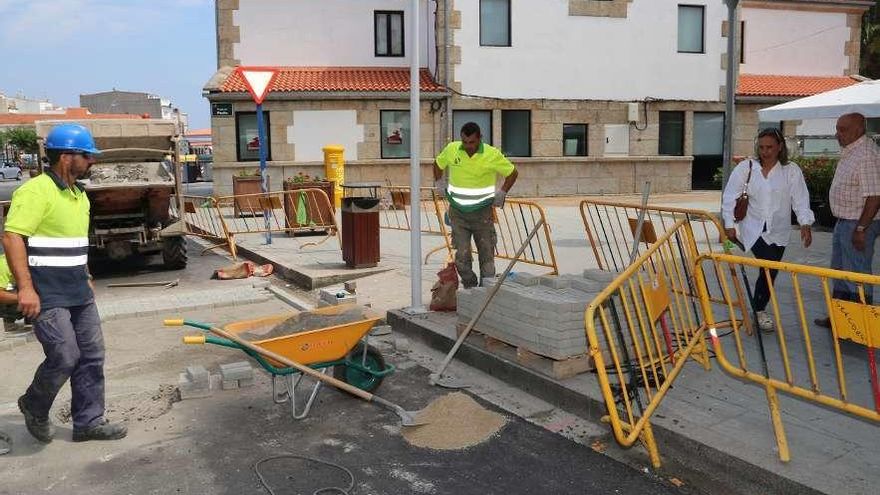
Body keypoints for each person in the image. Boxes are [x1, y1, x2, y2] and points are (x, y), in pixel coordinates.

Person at [1, 123, 127, 443]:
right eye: (87, 155)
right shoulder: (35, 191)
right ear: (67, 157)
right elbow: (13, 236)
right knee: (65, 356)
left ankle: (88, 422)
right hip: (46, 293)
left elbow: (75, 241)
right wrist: (26, 289)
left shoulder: (78, 196)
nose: (92, 162)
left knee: (91, 356)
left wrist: (85, 272)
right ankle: (34, 403)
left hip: (78, 292)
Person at [722, 127, 814, 331]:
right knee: (770, 265)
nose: (765, 152)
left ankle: (758, 308)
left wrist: (805, 223)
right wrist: (729, 225)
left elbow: (800, 199)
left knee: (770, 271)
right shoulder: (746, 168)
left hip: (779, 230)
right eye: (762, 147)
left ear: (780, 147)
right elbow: (729, 197)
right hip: (752, 228)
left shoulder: (791, 170)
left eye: (770, 147)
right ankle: (760, 310)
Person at [434, 122, 519, 288]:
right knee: (462, 257)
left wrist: (502, 193)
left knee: (486, 255)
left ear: (480, 138)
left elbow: (512, 173)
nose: (468, 146)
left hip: (482, 214)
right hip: (458, 213)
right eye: (465, 142)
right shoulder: (452, 149)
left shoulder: (491, 154)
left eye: (472, 142)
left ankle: (485, 292)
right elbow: (437, 164)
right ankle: (470, 287)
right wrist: (439, 183)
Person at [815, 113, 880, 328]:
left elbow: (875, 196)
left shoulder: (866, 154)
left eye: (842, 129)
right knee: (839, 270)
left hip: (858, 223)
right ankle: (841, 317)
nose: (837, 134)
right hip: (845, 220)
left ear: (858, 130)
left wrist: (861, 228)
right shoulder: (852, 151)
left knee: (857, 274)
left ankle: (862, 324)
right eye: (837, 128)